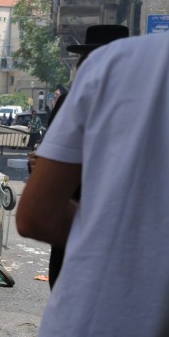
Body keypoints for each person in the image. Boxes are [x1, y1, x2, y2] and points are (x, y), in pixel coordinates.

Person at [17, 0, 169, 337]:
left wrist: (113, 232)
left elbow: (39, 209)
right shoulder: (103, 75)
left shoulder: (110, 71)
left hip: (95, 319)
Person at [33, 25, 128, 289]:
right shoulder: (144, 103)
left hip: (77, 214)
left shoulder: (76, 100)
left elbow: (33, 216)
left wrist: (41, 171)